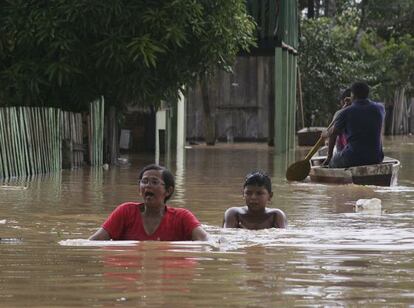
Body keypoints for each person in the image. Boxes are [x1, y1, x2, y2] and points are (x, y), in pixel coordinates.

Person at [89, 164, 209, 241]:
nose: (148, 186)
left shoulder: (182, 217)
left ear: (168, 191)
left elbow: (206, 241)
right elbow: (94, 242)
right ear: (139, 188)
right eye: (144, 181)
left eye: (154, 182)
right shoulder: (125, 212)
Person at [322, 81, 385, 168]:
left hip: (352, 158)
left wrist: (329, 158)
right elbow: (365, 110)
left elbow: (333, 133)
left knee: (333, 162)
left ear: (352, 95)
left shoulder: (345, 112)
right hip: (376, 158)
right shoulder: (380, 108)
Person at [222, 171, 287, 229]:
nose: (253, 197)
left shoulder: (275, 215)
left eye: (259, 193)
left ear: (270, 196)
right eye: (248, 193)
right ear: (243, 194)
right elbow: (226, 238)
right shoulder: (234, 214)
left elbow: (282, 239)